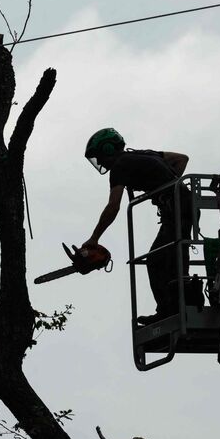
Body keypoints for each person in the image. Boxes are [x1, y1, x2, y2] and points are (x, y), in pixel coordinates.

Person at [81, 128, 194, 326]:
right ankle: (175, 307)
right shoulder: (142, 155)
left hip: (177, 208)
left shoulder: (119, 166)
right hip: (181, 205)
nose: (100, 164)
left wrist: (94, 238)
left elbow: (113, 206)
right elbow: (181, 159)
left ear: (108, 149)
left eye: (99, 158)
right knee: (171, 257)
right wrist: (166, 186)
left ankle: (170, 311)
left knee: (159, 260)